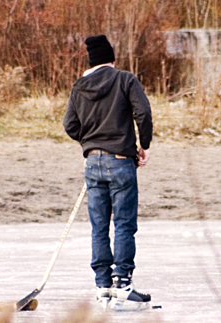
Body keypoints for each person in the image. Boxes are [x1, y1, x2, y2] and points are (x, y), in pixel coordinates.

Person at [63, 34, 153, 310]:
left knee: (99, 226)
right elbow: (144, 113)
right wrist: (144, 145)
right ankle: (123, 282)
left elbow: (70, 125)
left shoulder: (79, 86)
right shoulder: (125, 79)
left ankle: (103, 285)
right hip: (121, 161)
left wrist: (90, 144)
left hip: (93, 164)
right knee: (124, 224)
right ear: (112, 60)